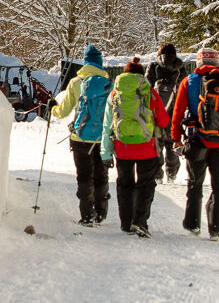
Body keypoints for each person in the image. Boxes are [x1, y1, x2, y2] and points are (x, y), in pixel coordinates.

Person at [101, 56, 170, 237]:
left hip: (122, 146)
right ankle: (140, 221)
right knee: (146, 184)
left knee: (124, 183)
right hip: (146, 146)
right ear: (142, 75)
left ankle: (125, 222)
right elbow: (164, 120)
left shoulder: (115, 93)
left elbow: (108, 122)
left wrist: (106, 151)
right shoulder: (149, 92)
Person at [50, 44, 112, 227]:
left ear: (85, 63)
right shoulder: (109, 84)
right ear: (100, 63)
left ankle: (87, 215)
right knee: (101, 175)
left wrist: (52, 108)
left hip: (80, 137)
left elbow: (63, 111)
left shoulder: (76, 83)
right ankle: (101, 213)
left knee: (84, 176)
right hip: (102, 138)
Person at [171, 48, 219, 240]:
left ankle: (193, 224)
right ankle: (216, 229)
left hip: (196, 140)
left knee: (195, 183)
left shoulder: (189, 81)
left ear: (198, 63)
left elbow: (177, 112)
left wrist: (176, 139)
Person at [145, 43, 186, 182]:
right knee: (171, 142)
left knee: (157, 143)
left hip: (156, 112)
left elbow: (146, 86)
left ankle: (157, 175)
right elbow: (183, 89)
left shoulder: (153, 66)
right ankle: (172, 174)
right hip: (174, 111)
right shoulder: (180, 68)